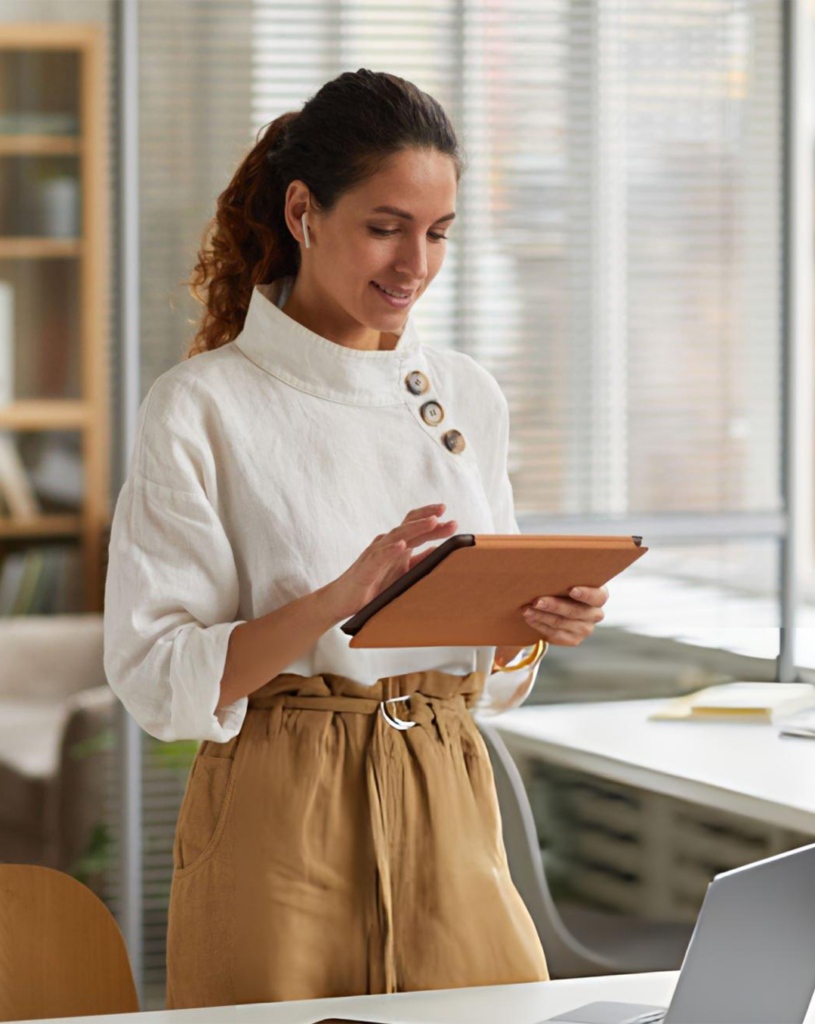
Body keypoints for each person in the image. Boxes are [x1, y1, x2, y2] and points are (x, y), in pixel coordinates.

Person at [103, 68, 608, 1010]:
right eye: (385, 226)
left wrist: (531, 623)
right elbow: (157, 678)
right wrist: (340, 597)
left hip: (448, 789)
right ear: (303, 211)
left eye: (438, 233)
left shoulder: (467, 394)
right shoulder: (202, 406)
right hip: (278, 810)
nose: (414, 262)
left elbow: (491, 677)